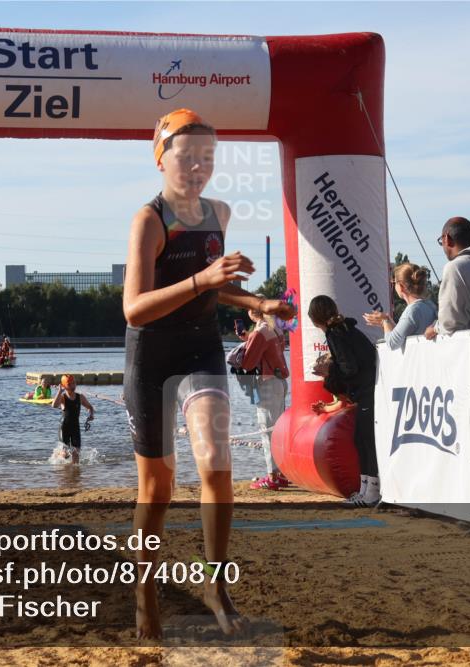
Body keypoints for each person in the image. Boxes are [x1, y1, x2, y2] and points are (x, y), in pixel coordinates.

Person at [122, 108, 296, 639]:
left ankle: (215, 587)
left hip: (199, 349)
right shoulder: (149, 219)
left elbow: (214, 289)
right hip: (151, 354)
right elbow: (135, 307)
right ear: (161, 159)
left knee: (216, 466)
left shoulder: (218, 212)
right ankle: (144, 590)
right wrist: (203, 279)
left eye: (207, 157)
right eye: (186, 155)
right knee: (158, 488)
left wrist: (258, 300)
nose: (197, 166)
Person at [308, 295, 379, 507]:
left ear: (314, 319)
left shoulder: (335, 334)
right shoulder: (345, 329)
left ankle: (371, 491)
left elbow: (349, 368)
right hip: (370, 388)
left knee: (365, 441)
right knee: (360, 439)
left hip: (368, 390)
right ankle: (365, 488)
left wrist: (330, 375)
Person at [240, 306, 290, 491]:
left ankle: (272, 476)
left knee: (267, 431)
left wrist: (247, 344)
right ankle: (282, 473)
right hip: (280, 381)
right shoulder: (276, 329)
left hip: (266, 383)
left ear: (252, 312)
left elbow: (247, 362)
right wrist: (248, 340)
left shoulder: (260, 331)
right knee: (278, 430)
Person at [424, 217, 470, 339]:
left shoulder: (455, 267)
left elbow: (449, 322)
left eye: (441, 241)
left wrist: (434, 329)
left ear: (447, 239)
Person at [363, 263, 438, 350]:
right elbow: (403, 334)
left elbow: (392, 343)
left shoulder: (412, 311)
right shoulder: (430, 305)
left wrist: (385, 321)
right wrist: (388, 322)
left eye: (394, 283)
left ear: (401, 286)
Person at [52, 374, 94, 452]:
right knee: (65, 453)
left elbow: (90, 407)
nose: (73, 386)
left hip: (75, 427)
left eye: (74, 383)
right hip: (64, 427)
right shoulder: (63, 397)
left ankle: (75, 464)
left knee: (76, 452)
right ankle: (58, 456)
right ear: (64, 386)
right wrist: (59, 391)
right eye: (69, 384)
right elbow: (54, 405)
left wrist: (91, 414)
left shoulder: (80, 397)